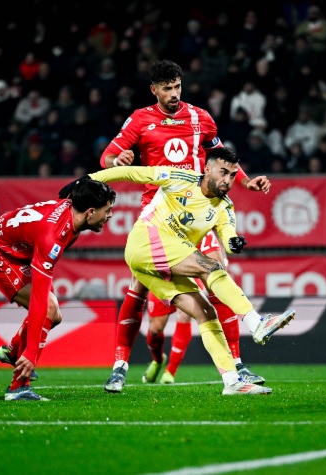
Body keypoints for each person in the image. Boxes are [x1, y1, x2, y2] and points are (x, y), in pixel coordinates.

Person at [98, 59, 273, 393]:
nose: (174, 93)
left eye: (177, 86)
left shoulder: (200, 117)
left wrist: (247, 183)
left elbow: (223, 159)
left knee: (218, 269)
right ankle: (120, 365)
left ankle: (236, 365)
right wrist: (116, 161)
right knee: (138, 289)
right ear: (154, 90)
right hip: (160, 210)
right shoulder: (140, 120)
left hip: (198, 209)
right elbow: (108, 157)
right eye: (167, 88)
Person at [82, 147, 295, 395]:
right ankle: (255, 321)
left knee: (206, 311)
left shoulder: (225, 207)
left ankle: (231, 381)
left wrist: (233, 243)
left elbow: (228, 237)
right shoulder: (178, 177)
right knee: (209, 266)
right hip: (145, 243)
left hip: (164, 260)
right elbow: (132, 173)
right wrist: (89, 178)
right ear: (207, 169)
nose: (227, 180)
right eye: (223, 172)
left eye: (232, 174)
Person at [0, 179, 116, 401]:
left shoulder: (72, 205)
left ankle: (12, 352)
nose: (110, 216)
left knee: (56, 317)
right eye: (106, 210)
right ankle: (18, 388)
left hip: (18, 251)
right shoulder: (53, 238)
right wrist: (31, 352)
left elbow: (73, 186)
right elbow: (40, 300)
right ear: (90, 212)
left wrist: (96, 181)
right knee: (48, 308)